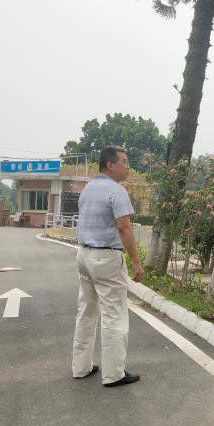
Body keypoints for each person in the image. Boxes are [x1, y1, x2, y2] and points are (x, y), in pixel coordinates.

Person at [72, 145, 144, 387]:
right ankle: (114, 374)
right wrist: (136, 262)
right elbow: (124, 227)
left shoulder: (88, 188)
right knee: (114, 315)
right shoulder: (117, 191)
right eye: (124, 162)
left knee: (86, 311)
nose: (128, 167)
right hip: (106, 258)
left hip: (84, 254)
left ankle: (81, 367)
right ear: (110, 165)